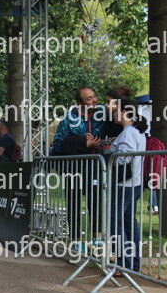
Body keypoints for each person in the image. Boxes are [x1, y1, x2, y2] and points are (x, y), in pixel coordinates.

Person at [52, 87, 106, 244]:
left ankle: (97, 239)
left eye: (94, 96)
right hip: (73, 169)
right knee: (73, 203)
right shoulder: (69, 119)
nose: (94, 100)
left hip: (95, 168)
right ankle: (76, 241)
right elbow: (58, 144)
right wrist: (84, 143)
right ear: (80, 103)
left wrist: (100, 143)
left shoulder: (103, 116)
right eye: (89, 99)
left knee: (96, 202)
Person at [104, 98, 147, 273]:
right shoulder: (137, 131)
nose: (113, 114)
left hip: (125, 184)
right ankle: (133, 263)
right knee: (129, 222)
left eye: (116, 111)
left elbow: (123, 158)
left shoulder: (128, 132)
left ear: (124, 112)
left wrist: (108, 158)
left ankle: (124, 262)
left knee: (116, 221)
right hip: (134, 183)